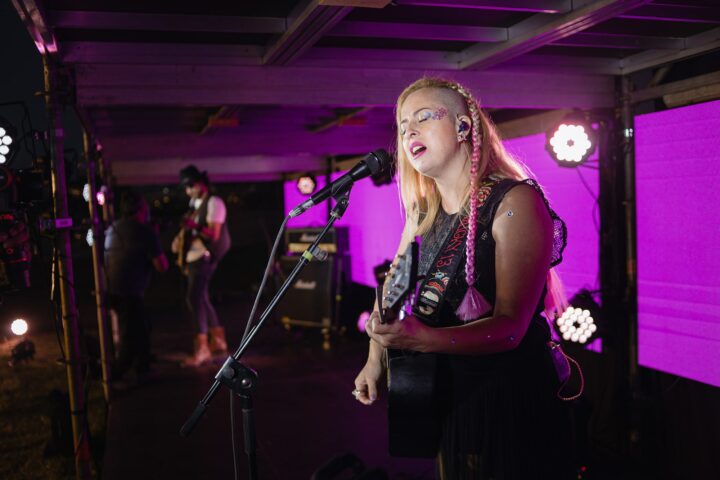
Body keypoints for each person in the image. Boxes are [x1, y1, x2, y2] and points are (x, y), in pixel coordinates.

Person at [352, 78, 575, 479]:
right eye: (402, 126)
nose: (409, 132)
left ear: (462, 127)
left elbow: (511, 328)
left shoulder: (513, 202)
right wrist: (374, 359)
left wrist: (423, 338)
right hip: (449, 397)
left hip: (508, 401)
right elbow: (390, 290)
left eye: (423, 117)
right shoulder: (422, 213)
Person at [105, 190, 168, 382]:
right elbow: (162, 266)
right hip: (129, 292)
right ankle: (119, 373)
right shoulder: (145, 231)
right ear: (141, 209)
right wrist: (155, 239)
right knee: (133, 334)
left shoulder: (113, 228)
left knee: (141, 327)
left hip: (110, 289)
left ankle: (141, 366)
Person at [172, 165, 231, 367]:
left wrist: (194, 226)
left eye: (190, 186)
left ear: (200, 183)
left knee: (194, 298)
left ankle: (203, 349)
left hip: (204, 258)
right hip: (193, 257)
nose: (188, 191)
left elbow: (214, 234)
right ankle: (219, 342)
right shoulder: (195, 204)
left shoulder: (214, 202)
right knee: (201, 298)